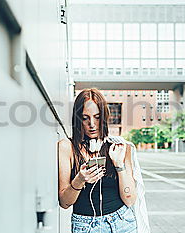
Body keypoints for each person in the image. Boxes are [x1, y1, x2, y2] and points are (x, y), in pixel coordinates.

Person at [58, 88, 143, 233]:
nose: (92, 124)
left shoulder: (120, 147)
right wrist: (79, 180)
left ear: (104, 117)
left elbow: (129, 200)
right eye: (85, 118)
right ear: (78, 119)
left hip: (123, 223)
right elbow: (65, 203)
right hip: (86, 226)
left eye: (97, 117)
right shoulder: (66, 147)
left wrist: (119, 165)